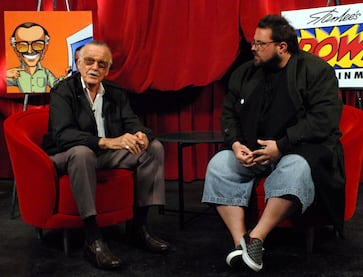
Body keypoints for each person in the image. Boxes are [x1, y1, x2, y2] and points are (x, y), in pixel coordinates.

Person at [201, 14, 345, 272]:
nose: (252, 48)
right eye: (253, 43)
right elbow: (229, 114)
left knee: (296, 169)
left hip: (298, 150)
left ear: (282, 47)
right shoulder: (245, 73)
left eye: (259, 44)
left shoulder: (316, 70)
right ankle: (240, 242)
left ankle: (257, 238)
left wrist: (281, 145)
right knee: (219, 165)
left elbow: (324, 119)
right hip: (253, 151)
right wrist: (234, 144)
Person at [42, 40, 170, 270]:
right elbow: (63, 135)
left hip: (103, 154)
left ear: (108, 69)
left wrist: (141, 135)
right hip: (67, 155)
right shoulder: (63, 91)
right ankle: (93, 239)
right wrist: (106, 141)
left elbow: (134, 123)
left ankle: (139, 227)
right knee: (82, 154)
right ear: (78, 63)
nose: (95, 67)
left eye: (102, 64)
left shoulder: (115, 94)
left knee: (153, 148)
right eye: (89, 61)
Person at [7, 22, 65, 92]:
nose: (30, 51)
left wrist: (68, 76)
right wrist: (5, 73)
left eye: (37, 44)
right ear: (15, 49)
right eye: (22, 45)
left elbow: (56, 85)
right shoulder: (16, 73)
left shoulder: (45, 72)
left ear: (45, 48)